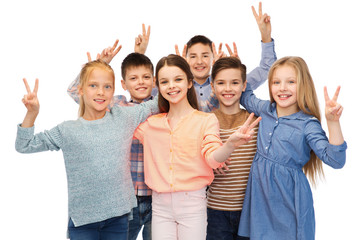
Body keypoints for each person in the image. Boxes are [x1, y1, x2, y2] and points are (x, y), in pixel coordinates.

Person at [15, 60, 159, 240]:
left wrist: (182, 71)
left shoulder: (124, 117)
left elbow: (154, 104)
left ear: (114, 91)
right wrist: (32, 113)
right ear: (81, 90)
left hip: (119, 218)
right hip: (83, 222)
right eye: (93, 86)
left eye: (107, 87)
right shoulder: (68, 130)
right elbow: (24, 145)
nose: (101, 92)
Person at [133, 54, 261, 240]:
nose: (172, 86)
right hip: (160, 206)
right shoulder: (150, 125)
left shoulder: (205, 120)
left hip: (192, 204)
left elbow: (212, 157)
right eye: (164, 81)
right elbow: (112, 118)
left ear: (189, 82)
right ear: (157, 86)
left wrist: (230, 145)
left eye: (178, 79)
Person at [237, 56, 347, 239]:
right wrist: (238, 69)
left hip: (288, 204)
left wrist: (332, 122)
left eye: (291, 82)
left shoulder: (307, 124)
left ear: (303, 84)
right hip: (259, 203)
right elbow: (244, 93)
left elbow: (336, 160)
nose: (282, 88)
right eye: (276, 82)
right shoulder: (265, 110)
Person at [67, 24, 154, 240]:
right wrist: (101, 65)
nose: (140, 83)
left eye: (146, 78)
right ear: (123, 84)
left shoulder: (161, 107)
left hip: (158, 197)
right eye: (133, 79)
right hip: (126, 200)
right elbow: (74, 92)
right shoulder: (117, 106)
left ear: (154, 82)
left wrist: (140, 55)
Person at [175, 2, 276, 113]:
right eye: (193, 56)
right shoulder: (177, 86)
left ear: (213, 57)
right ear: (186, 59)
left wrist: (266, 37)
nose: (199, 61)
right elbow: (155, 89)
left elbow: (267, 69)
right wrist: (179, 71)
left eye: (205, 55)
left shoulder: (228, 83)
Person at [206, 57, 258, 240]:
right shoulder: (205, 121)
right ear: (212, 87)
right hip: (215, 210)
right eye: (221, 83)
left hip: (250, 211)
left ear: (244, 85)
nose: (228, 89)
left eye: (234, 83)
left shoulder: (255, 121)